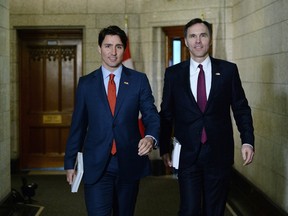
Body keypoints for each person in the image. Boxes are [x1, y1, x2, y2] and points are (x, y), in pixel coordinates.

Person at [159, 18, 255, 216]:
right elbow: (167, 112)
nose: (198, 41)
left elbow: (241, 109)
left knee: (215, 211)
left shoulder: (228, 71)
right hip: (188, 154)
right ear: (185, 41)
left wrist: (247, 141)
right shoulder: (174, 74)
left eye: (203, 35)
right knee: (189, 209)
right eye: (193, 36)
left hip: (219, 154)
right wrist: (164, 147)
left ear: (210, 39)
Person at [64, 25, 160, 216]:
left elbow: (151, 114)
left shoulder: (138, 80)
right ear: (99, 48)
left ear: (124, 49)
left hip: (128, 162)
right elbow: (78, 125)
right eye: (108, 46)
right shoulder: (86, 83)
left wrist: (150, 137)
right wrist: (69, 163)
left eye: (118, 46)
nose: (113, 52)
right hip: (96, 163)